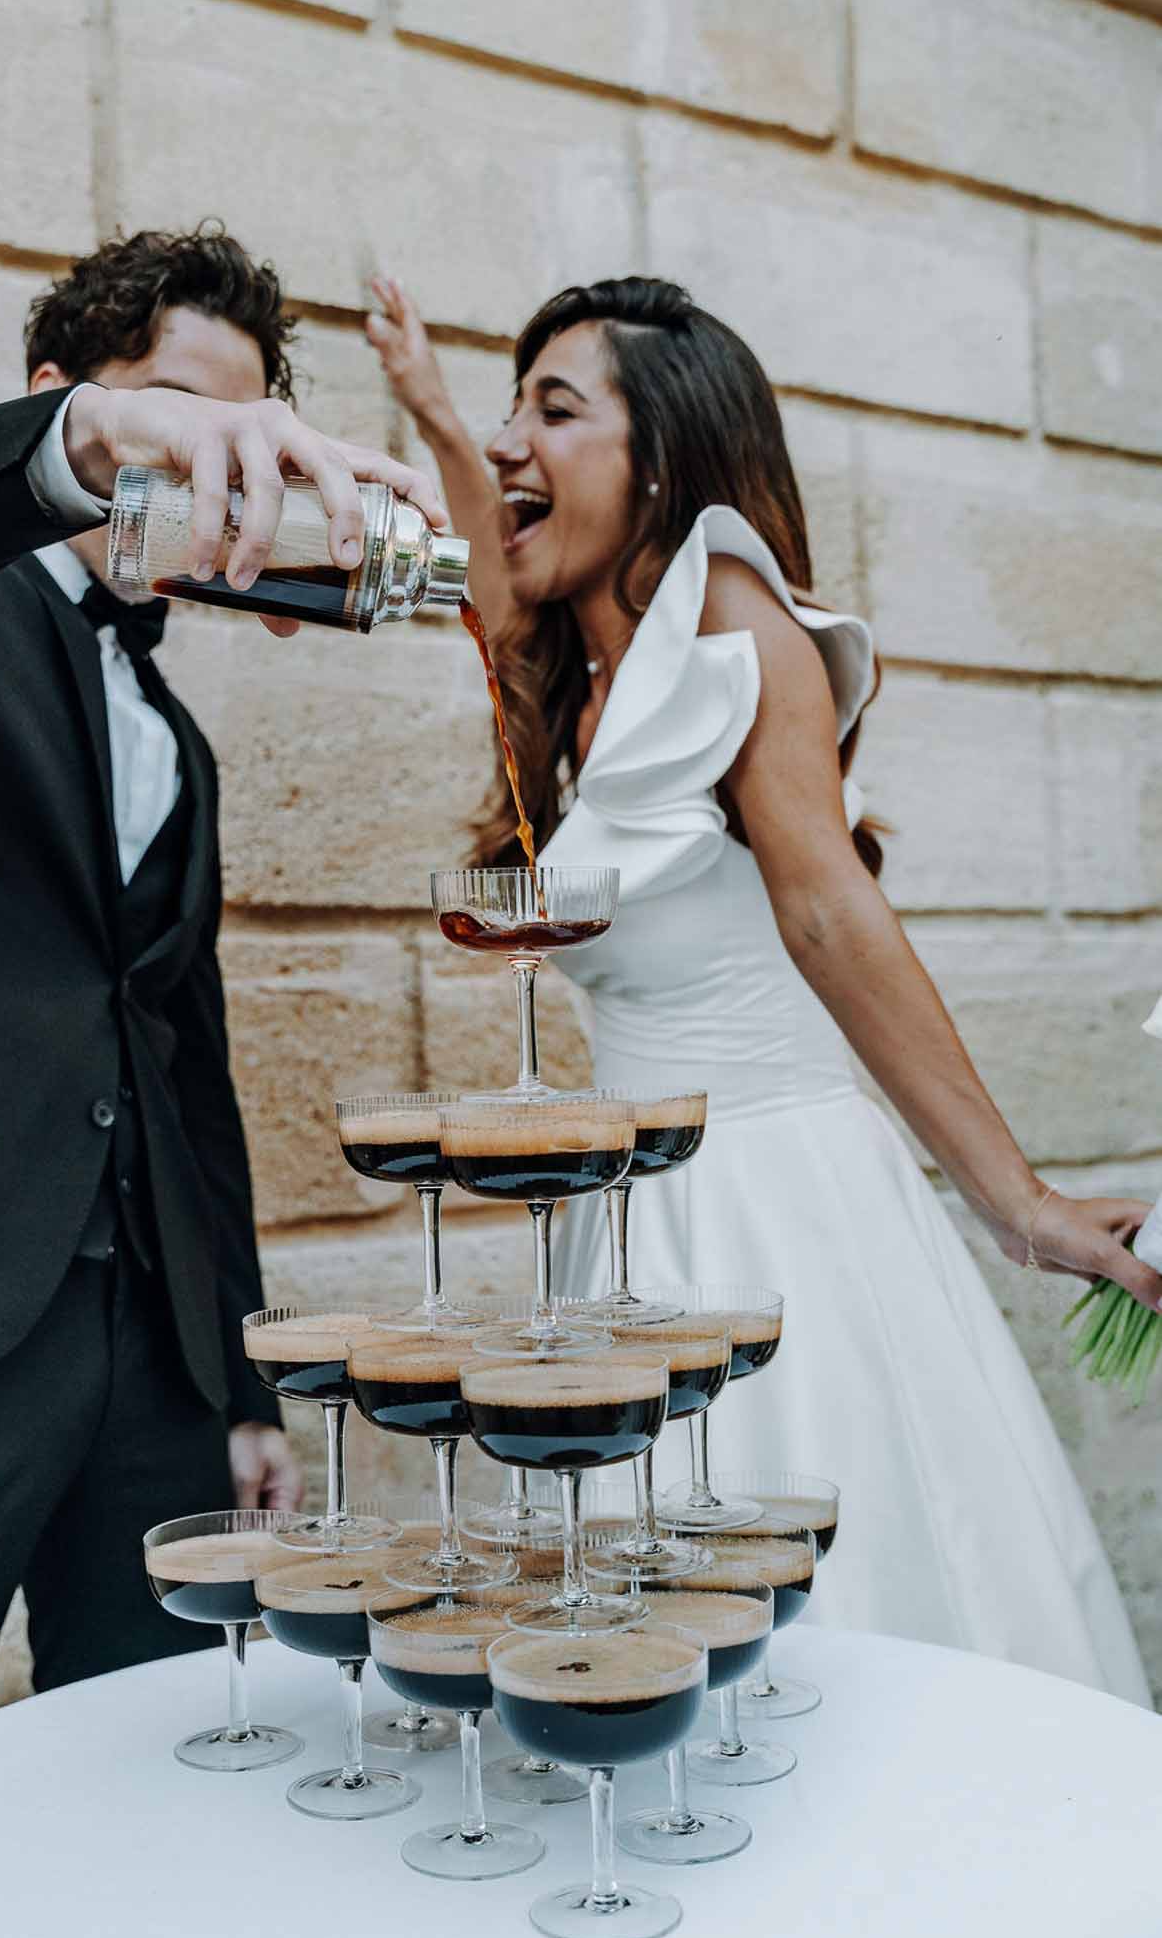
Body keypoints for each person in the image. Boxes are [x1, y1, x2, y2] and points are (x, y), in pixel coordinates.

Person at [366, 272, 1157, 1704]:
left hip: (766, 1218)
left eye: (553, 410)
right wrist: (428, 415)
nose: (506, 445)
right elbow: (485, 593)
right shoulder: (592, 671)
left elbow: (824, 908)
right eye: (504, 410)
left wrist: (1018, 1206)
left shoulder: (729, 614)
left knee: (803, 1644)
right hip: (617, 1223)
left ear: (659, 457)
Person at [0, 227, 448, 1813]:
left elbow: (182, 1074)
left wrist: (232, 1384)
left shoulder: (174, 731)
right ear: (54, 397)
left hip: (147, 1358)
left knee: (171, 1766)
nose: (203, 463)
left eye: (235, 433)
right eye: (169, 412)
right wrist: (80, 453)